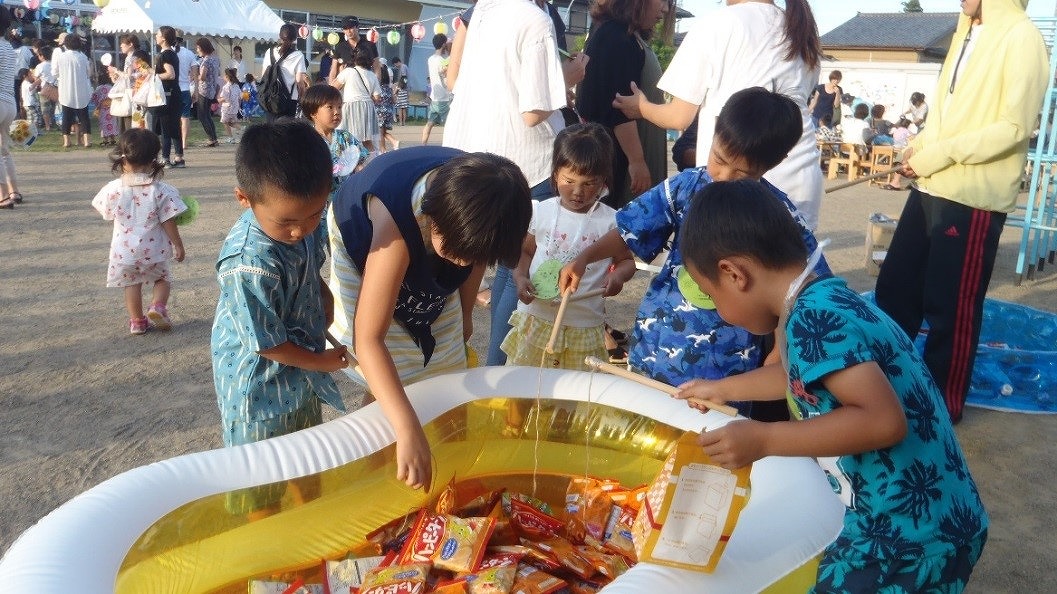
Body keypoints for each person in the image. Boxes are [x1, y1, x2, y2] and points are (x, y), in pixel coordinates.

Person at [675, 178, 988, 591]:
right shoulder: (822, 299)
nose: (718, 311)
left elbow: (882, 421)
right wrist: (724, 389)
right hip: (928, 519)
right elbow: (801, 379)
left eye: (712, 297)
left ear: (733, 273)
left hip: (906, 535)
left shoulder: (811, 320)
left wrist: (764, 439)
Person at [559, 88, 830, 418]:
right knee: (642, 424)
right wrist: (585, 257)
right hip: (658, 343)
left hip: (727, 365)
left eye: (741, 173)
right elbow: (631, 229)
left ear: (774, 163)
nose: (724, 177)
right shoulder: (686, 187)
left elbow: (800, 293)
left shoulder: (778, 219)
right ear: (713, 132)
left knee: (703, 447)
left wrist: (776, 360)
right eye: (719, 159)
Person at [875, 0, 1048, 424]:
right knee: (895, 291)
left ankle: (939, 410)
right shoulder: (966, 30)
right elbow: (949, 115)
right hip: (932, 185)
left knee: (950, 308)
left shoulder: (1022, 36)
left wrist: (937, 156)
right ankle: (886, 392)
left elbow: (1014, 127)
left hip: (973, 196)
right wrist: (918, 149)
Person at [327, 147, 532, 491]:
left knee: (447, 358)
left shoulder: (486, 209)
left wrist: (464, 315)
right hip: (366, 241)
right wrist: (408, 429)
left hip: (441, 228)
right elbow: (369, 338)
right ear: (433, 220)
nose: (464, 263)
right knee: (395, 362)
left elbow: (474, 257)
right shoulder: (396, 226)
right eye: (457, 252)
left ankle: (441, 456)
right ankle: (377, 464)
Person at [211, 121, 348, 517]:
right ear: (244, 198)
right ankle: (269, 547)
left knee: (307, 454)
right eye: (286, 222)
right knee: (263, 481)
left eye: (313, 215)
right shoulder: (248, 264)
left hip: (298, 367)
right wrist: (322, 361)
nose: (300, 230)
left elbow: (309, 258)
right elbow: (266, 342)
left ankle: (311, 523)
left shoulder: (303, 220)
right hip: (257, 384)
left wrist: (320, 290)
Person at [443, 0, 582, 367]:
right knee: (513, 267)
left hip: (469, 152)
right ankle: (496, 371)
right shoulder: (535, 18)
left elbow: (452, 79)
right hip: (524, 163)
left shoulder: (482, 11)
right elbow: (534, 111)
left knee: (471, 261)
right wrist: (569, 76)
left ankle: (469, 360)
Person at [612, 0, 824, 231]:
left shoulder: (718, 24)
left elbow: (679, 117)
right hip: (796, 172)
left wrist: (641, 107)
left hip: (735, 175)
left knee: (719, 259)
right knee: (787, 262)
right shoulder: (801, 29)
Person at [504, 122, 637, 370]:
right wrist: (520, 277)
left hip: (583, 322)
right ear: (555, 174)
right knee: (523, 387)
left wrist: (618, 276)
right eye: (569, 180)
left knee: (571, 395)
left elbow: (627, 261)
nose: (578, 192)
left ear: (604, 182)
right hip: (536, 316)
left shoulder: (610, 221)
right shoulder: (541, 210)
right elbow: (525, 251)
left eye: (589, 184)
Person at [575, 0, 674, 209]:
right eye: (663, 1)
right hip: (619, 166)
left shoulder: (625, 35)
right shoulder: (617, 37)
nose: (665, 10)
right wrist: (637, 161)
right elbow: (620, 108)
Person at [91, 128, 187, 334]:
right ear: (154, 160)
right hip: (155, 250)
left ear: (123, 158)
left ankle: (137, 322)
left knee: (131, 284)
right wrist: (178, 245)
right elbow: (168, 220)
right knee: (162, 279)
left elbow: (103, 209)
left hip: (124, 252)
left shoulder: (113, 189)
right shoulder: (161, 190)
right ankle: (158, 307)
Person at [301, 82, 369, 197]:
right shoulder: (307, 140)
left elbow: (359, 163)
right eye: (330, 107)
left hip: (346, 198)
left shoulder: (346, 137)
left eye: (339, 107)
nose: (337, 112)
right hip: (319, 201)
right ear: (313, 112)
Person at [331, 48, 380, 152]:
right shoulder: (372, 75)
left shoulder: (348, 71)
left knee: (346, 137)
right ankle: (372, 162)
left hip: (351, 106)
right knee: (367, 141)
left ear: (355, 59)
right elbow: (377, 97)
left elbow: (333, 87)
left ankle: (348, 162)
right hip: (368, 107)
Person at [261, 23, 310, 121]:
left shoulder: (269, 52)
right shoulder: (298, 55)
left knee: (271, 131)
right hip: (289, 99)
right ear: (295, 38)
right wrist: (303, 98)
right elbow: (299, 81)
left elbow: (264, 75)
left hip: (270, 98)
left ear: (280, 36)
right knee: (285, 132)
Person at [0, 8, 24, 209]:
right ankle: (13, 191)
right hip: (9, 102)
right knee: (4, 150)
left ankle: (2, 196)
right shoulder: (8, 46)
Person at [52, 32, 92, 149]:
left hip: (66, 90)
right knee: (84, 116)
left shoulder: (61, 56)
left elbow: (54, 73)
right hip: (81, 90)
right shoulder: (83, 56)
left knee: (66, 116)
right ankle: (87, 141)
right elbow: (88, 73)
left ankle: (66, 141)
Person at [153, 26, 184, 168]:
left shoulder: (165, 54)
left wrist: (154, 76)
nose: (155, 36)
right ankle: (179, 158)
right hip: (174, 93)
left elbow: (170, 74)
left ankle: (165, 158)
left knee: (166, 127)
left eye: (158, 34)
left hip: (167, 94)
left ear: (163, 38)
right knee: (174, 126)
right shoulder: (171, 53)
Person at [420, 34, 450, 146]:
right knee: (450, 125)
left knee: (429, 123)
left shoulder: (430, 59)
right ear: (443, 44)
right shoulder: (443, 61)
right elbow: (445, 77)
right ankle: (449, 145)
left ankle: (423, 145)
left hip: (434, 97)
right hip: (444, 96)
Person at [108, 34, 140, 134]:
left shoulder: (130, 58)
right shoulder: (138, 57)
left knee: (127, 120)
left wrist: (116, 71)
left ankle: (128, 143)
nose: (121, 46)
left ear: (130, 44)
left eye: (122, 43)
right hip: (137, 91)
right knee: (136, 119)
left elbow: (128, 76)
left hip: (130, 93)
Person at [193, 37, 220, 147]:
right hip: (212, 90)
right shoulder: (215, 59)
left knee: (202, 115)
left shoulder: (206, 61)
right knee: (208, 115)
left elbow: (203, 76)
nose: (197, 50)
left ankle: (211, 138)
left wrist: (196, 77)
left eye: (198, 48)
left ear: (203, 48)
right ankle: (214, 138)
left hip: (204, 90)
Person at [175, 37, 195, 151]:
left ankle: (176, 141)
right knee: (185, 117)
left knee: (174, 117)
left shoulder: (169, 51)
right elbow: (194, 74)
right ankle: (184, 142)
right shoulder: (189, 53)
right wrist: (195, 90)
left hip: (173, 89)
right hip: (185, 88)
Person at [89, 73, 117, 146]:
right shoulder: (111, 87)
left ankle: (105, 140)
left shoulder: (99, 88)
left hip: (103, 110)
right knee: (112, 124)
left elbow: (94, 98)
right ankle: (113, 140)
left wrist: (97, 105)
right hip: (111, 109)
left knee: (104, 124)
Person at [376, 64, 397, 152]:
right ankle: (394, 141)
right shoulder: (389, 88)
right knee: (383, 132)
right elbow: (393, 100)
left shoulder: (378, 87)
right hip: (388, 112)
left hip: (380, 112)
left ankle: (383, 149)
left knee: (380, 132)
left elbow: (376, 98)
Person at [217, 68, 241, 144]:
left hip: (227, 108)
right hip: (234, 108)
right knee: (231, 122)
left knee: (225, 122)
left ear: (227, 76)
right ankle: (241, 129)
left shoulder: (226, 87)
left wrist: (219, 100)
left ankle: (231, 137)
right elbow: (239, 95)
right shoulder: (236, 86)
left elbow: (225, 98)